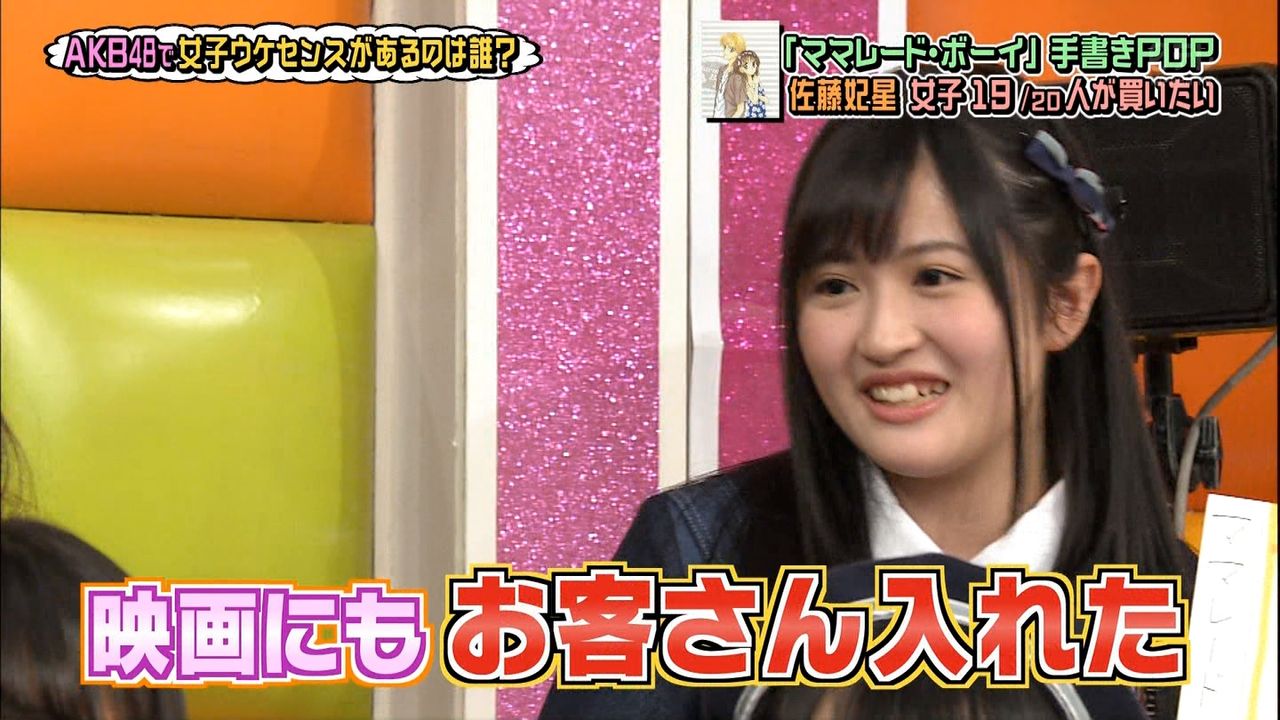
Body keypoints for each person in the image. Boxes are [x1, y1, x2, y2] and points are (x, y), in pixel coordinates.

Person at [539, 102, 1195, 719]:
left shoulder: (1199, 610)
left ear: (1065, 304)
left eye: (934, 276)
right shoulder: (696, 559)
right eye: (836, 286)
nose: (882, 338)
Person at [711, 33, 747, 118]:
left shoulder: (738, 75)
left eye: (731, 49)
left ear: (738, 52)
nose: (726, 51)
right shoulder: (722, 70)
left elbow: (740, 109)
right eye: (725, 47)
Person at [723, 50, 765, 119]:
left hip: (761, 113)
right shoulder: (744, 83)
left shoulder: (756, 81)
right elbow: (754, 101)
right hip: (752, 115)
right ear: (741, 69)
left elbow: (767, 100)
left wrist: (758, 94)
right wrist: (756, 86)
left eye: (753, 64)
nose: (752, 68)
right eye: (746, 66)